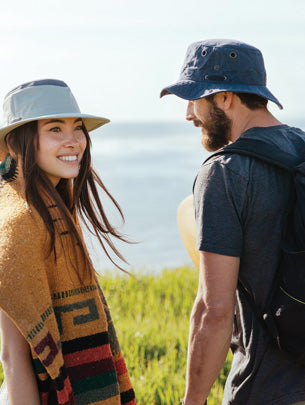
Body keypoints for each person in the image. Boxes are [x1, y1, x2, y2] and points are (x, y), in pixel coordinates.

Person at [160, 39, 305, 405]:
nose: (189, 115)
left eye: (195, 100)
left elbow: (215, 309)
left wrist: (192, 401)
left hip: (266, 389)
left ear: (224, 98)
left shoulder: (225, 172)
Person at [0, 79, 136, 405]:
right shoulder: (19, 224)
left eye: (77, 128)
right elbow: (12, 356)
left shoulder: (53, 209)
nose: (74, 140)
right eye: (55, 129)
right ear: (17, 143)